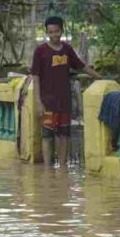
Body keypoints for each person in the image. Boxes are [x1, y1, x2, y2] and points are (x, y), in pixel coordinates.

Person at [31, 16, 102, 169]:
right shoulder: (40, 51)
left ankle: (63, 168)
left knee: (64, 135)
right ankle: (47, 171)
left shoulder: (67, 49)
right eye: (51, 32)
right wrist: (38, 101)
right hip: (47, 101)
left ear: (61, 31)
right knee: (47, 136)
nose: (54, 35)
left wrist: (99, 78)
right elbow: (35, 77)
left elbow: (81, 66)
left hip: (64, 100)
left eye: (57, 31)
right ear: (47, 32)